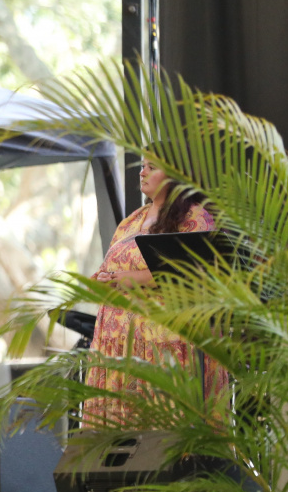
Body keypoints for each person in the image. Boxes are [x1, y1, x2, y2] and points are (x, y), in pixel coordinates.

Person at [85, 150, 221, 426]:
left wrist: (125, 278)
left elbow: (190, 272)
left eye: (152, 167)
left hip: (164, 344)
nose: (142, 172)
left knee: (161, 433)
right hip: (118, 345)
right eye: (142, 165)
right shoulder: (132, 220)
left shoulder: (194, 218)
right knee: (119, 439)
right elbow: (110, 265)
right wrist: (101, 278)